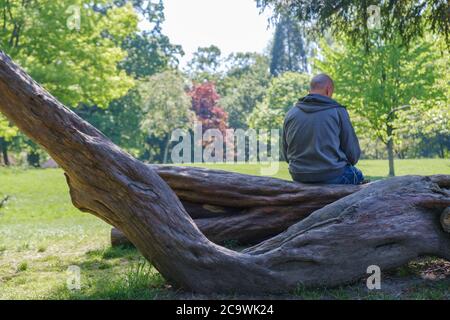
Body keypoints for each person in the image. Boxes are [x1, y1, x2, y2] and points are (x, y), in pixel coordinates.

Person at [282, 74, 365, 185]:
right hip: (332, 174)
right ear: (328, 90)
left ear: (309, 91)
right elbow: (352, 154)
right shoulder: (338, 112)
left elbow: (286, 153)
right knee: (358, 176)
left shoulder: (291, 113)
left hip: (299, 175)